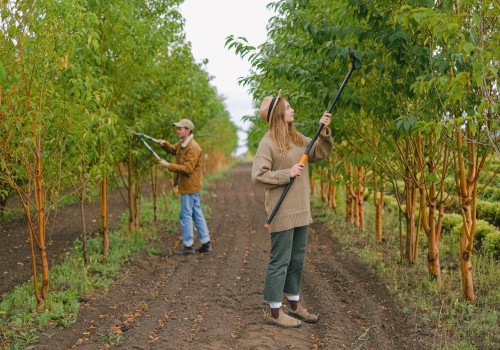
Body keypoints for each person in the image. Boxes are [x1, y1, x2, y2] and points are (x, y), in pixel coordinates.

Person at [252, 90, 333, 328]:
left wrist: (324, 130)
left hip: (301, 209)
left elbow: (318, 152)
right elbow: (258, 176)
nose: (292, 110)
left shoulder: (296, 138)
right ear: (278, 113)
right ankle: (275, 312)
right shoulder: (267, 144)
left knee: (297, 259)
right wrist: (286, 174)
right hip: (282, 211)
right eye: (288, 107)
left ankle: (294, 305)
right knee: (280, 261)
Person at [157, 118, 212, 255]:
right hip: (190, 186)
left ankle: (188, 246)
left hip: (189, 186)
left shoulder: (193, 147)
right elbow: (173, 150)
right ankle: (206, 242)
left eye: (180, 128)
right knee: (196, 213)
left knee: (185, 215)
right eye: (177, 128)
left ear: (188, 131)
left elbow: (187, 169)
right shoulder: (183, 144)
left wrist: (168, 165)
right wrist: (164, 144)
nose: (177, 130)